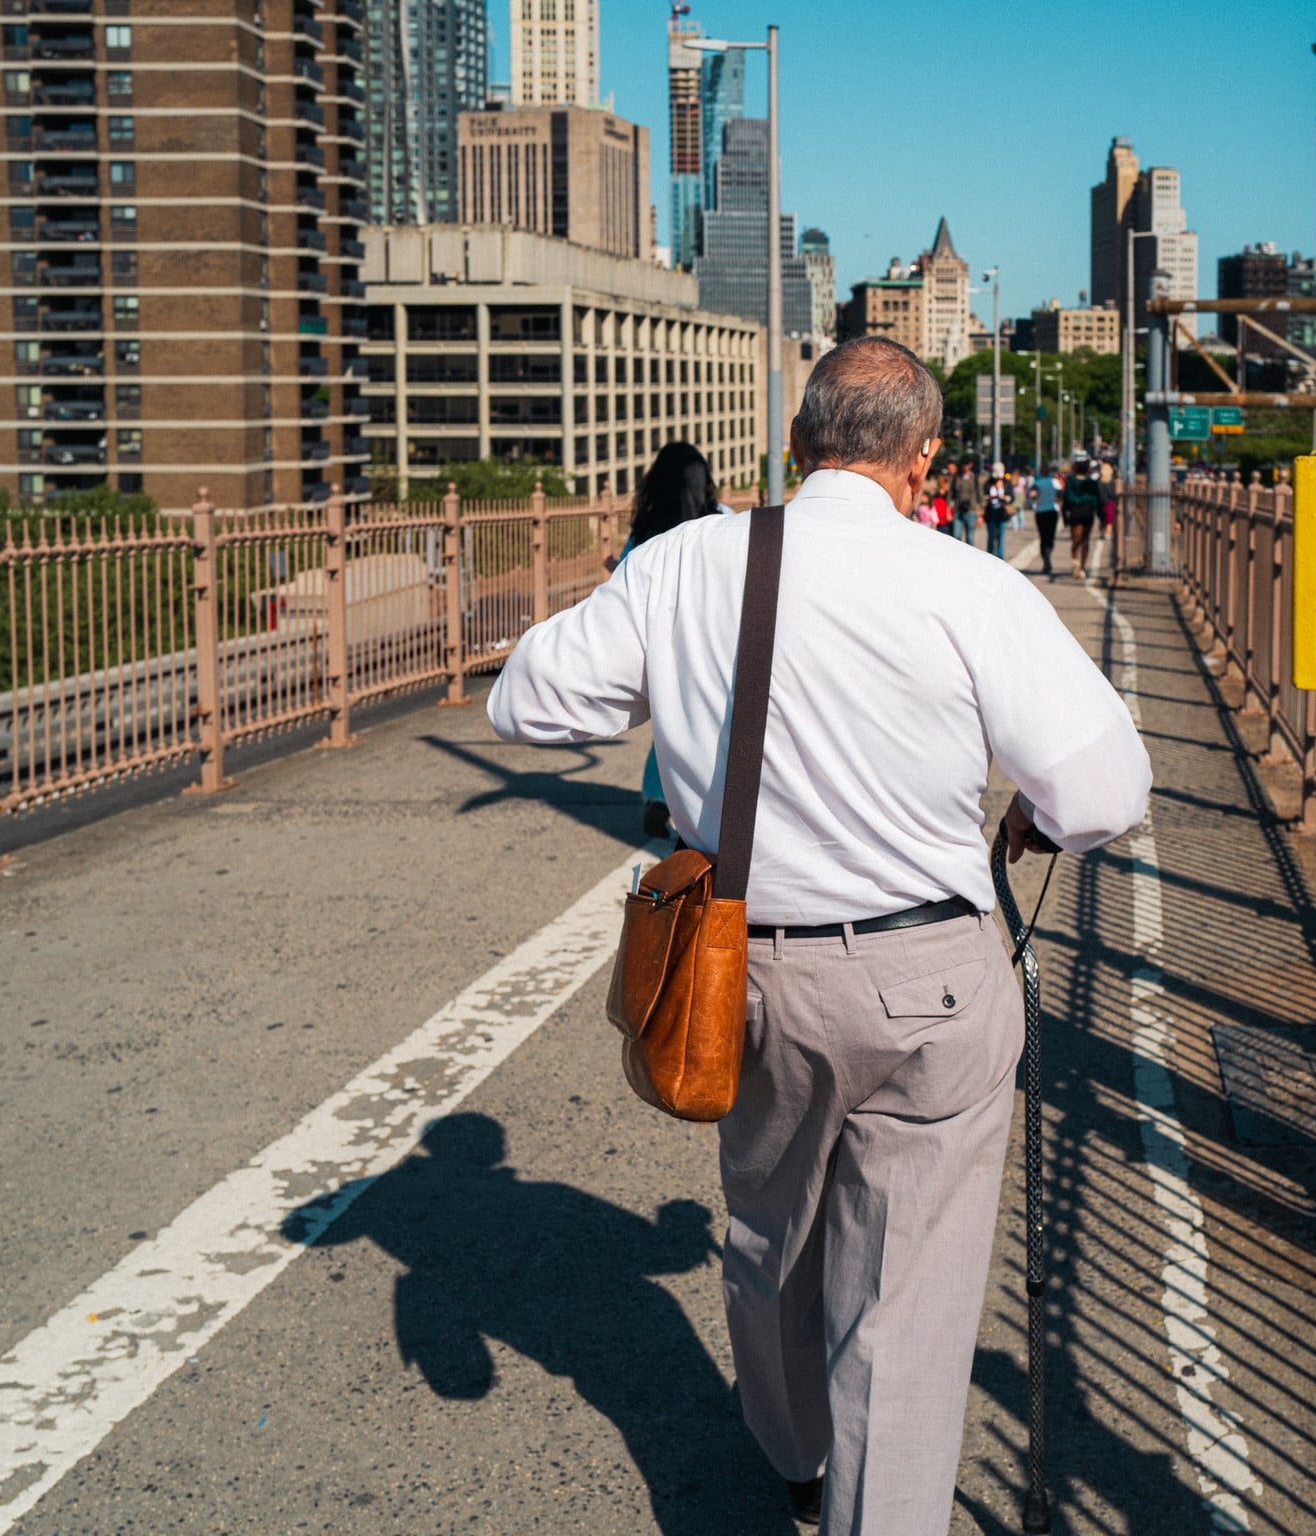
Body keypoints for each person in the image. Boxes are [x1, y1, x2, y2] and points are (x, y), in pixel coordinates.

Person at [487, 335, 1150, 1536]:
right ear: (923, 461)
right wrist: (1028, 823)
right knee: (904, 1298)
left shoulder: (687, 562)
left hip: (750, 974)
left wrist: (673, 670)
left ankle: (792, 1450)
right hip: (933, 976)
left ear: (796, 448)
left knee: (767, 1230)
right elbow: (1101, 793)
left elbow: (527, 699)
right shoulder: (969, 585)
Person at [609, 440, 722, 837]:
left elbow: (622, 585)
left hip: (663, 644)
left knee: (669, 724)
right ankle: (699, 806)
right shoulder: (722, 520)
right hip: (714, 641)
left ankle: (660, 798)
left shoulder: (646, 531)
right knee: (711, 725)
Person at [1061, 449, 1100, 579]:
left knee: (1075, 539)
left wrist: (1064, 515)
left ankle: (1075, 562)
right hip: (1088, 512)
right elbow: (1096, 499)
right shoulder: (1092, 482)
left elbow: (1066, 498)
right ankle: (1082, 567)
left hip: (1075, 512)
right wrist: (1100, 515)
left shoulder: (1071, 481)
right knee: (1085, 540)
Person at [1030, 462, 1060, 577]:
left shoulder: (1037, 483)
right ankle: (1048, 552)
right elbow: (1060, 495)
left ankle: (1045, 558)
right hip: (1052, 512)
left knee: (1042, 536)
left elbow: (1032, 495)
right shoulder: (1054, 481)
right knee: (1050, 536)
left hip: (1040, 512)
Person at [982, 461, 1012, 559]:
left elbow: (1011, 497)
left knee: (1001, 537)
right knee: (991, 537)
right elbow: (983, 496)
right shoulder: (988, 483)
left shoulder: (1007, 483)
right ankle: (990, 556)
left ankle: (1000, 557)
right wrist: (990, 497)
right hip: (991, 512)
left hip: (1002, 512)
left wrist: (1002, 494)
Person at [948, 459, 979, 544]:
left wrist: (980, 514)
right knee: (956, 536)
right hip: (958, 510)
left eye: (967, 464)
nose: (965, 466)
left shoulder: (974, 477)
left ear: (970, 465)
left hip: (971, 511)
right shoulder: (956, 477)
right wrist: (948, 510)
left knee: (970, 538)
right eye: (963, 464)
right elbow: (950, 494)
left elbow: (980, 495)